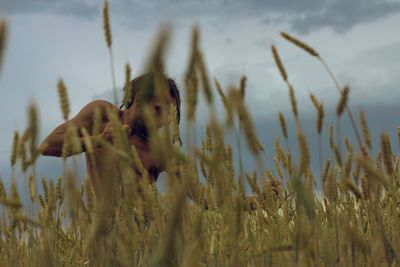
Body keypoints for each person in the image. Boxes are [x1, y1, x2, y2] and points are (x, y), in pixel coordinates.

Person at [39, 73, 205, 209]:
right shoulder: (101, 116)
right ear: (139, 101)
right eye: (158, 110)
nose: (163, 120)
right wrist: (100, 140)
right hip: (114, 231)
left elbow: (199, 192)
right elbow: (47, 146)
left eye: (169, 115)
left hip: (154, 232)